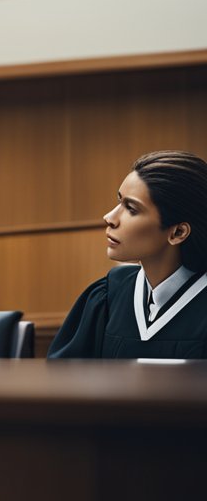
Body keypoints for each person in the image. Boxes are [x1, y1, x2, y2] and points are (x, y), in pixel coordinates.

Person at [48, 150, 207, 359]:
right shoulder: (108, 295)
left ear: (178, 232)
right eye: (119, 201)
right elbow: (64, 379)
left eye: (131, 208)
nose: (109, 217)